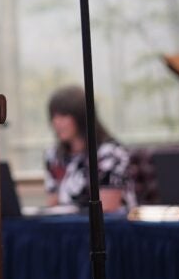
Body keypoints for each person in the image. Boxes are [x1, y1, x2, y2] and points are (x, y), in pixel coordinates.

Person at [43, 84, 131, 212]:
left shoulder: (110, 154)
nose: (56, 122)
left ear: (81, 116)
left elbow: (107, 209)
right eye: (53, 116)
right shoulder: (53, 156)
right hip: (65, 228)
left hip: (108, 228)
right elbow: (53, 205)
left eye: (63, 115)